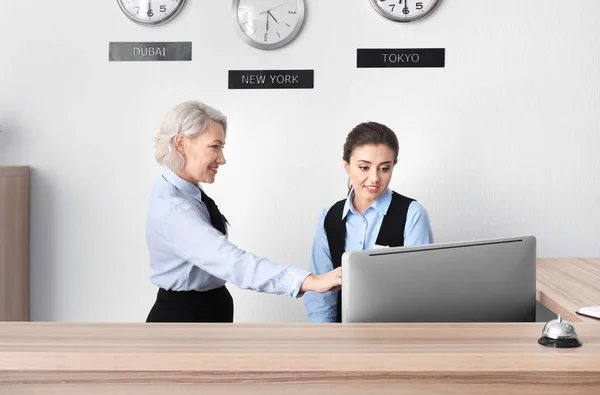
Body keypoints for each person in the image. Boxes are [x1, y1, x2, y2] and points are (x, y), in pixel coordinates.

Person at [145, 100, 341, 323]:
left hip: (203, 314)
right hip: (184, 323)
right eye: (214, 146)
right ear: (181, 143)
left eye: (222, 147)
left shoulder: (184, 192)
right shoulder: (175, 209)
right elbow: (234, 263)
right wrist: (309, 280)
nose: (222, 159)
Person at [303, 121, 434, 323]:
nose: (374, 178)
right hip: (341, 338)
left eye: (384, 168)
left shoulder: (412, 215)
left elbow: (420, 293)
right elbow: (321, 296)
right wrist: (325, 341)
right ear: (346, 166)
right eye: (364, 167)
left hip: (396, 336)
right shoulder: (329, 217)